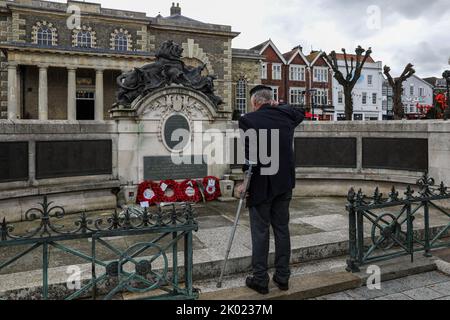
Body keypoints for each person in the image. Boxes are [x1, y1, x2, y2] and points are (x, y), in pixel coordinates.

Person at [238, 85, 305, 295]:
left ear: (255, 102)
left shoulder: (248, 120)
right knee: (282, 230)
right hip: (284, 183)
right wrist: (280, 104)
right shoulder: (287, 116)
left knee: (260, 232)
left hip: (261, 185)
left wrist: (244, 184)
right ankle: (283, 277)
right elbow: (300, 112)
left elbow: (250, 158)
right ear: (270, 100)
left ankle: (260, 279)